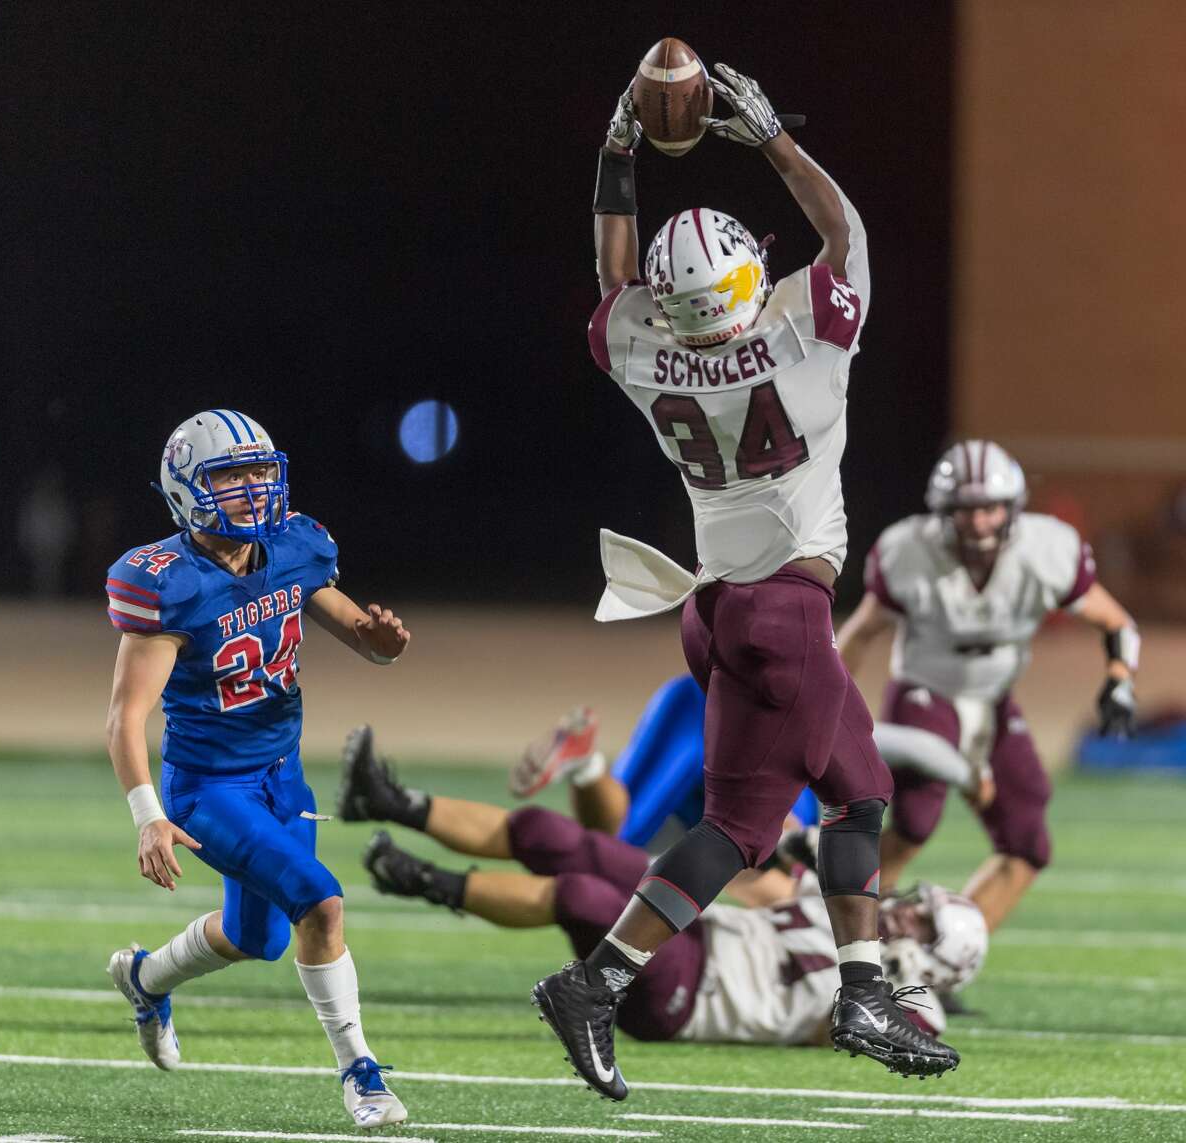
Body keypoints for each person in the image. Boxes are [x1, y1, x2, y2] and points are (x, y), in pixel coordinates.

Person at [524, 64, 959, 1101]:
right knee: (759, 827)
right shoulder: (802, 337)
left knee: (838, 798)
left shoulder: (642, 348)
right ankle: (602, 983)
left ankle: (854, 993)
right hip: (785, 618)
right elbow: (844, 232)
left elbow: (612, 277)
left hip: (718, 605)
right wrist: (772, 139)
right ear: (746, 282)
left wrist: (618, 151)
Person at [103, 409, 411, 1129]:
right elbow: (124, 717)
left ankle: (145, 979)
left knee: (259, 939)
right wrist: (149, 816)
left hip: (281, 777)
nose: (252, 489)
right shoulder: (170, 582)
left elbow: (359, 635)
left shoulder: (294, 547)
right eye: (230, 476)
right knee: (321, 901)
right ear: (186, 489)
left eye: (258, 472)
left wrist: (380, 641)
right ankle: (360, 1073)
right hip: (209, 790)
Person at [336, 737, 987, 1049]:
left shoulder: (910, 997)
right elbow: (784, 868)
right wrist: (795, 851)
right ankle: (392, 801)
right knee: (558, 838)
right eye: (917, 904)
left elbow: (860, 1030)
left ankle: (425, 881)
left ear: (939, 964)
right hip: (699, 931)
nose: (906, 912)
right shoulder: (851, 915)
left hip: (690, 997)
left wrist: (891, 976)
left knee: (583, 896)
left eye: (922, 924)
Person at [838, 440, 1139, 931]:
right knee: (914, 821)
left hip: (995, 698)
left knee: (1028, 843)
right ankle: (851, 934)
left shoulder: (1046, 550)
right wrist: (829, 702)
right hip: (925, 689)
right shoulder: (909, 550)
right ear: (943, 511)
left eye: (990, 508)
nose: (978, 522)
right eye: (965, 509)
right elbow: (861, 632)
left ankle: (946, 951)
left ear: (1012, 508)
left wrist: (1120, 680)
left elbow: (1117, 622)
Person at [508, 681, 820, 849]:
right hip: (761, 726)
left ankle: (586, 766)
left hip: (693, 697)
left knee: (613, 838)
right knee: (789, 854)